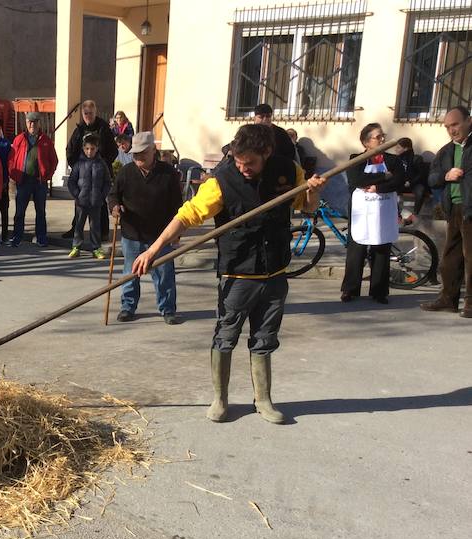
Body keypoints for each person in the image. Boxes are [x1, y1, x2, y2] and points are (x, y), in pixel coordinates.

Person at [131, 124, 326, 424]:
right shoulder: (221, 180)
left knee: (264, 338)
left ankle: (263, 399)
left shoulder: (288, 170)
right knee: (226, 336)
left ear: (267, 153)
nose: (244, 168)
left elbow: (307, 206)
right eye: (239, 162)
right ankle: (220, 400)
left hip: (275, 271)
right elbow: (187, 215)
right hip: (238, 273)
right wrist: (153, 250)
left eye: (250, 163)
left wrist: (313, 193)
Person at [107, 132, 182, 323]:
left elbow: (177, 205)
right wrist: (114, 207)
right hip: (132, 233)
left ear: (153, 151)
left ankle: (167, 309)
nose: (138, 157)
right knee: (130, 273)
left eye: (142, 153)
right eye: (135, 153)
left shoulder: (168, 173)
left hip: (161, 234)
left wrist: (177, 232)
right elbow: (113, 195)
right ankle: (127, 307)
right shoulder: (126, 172)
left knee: (164, 273)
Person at [340, 123, 404, 304]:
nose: (382, 139)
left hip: (383, 210)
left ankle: (379, 291)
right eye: (378, 137)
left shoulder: (393, 160)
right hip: (361, 212)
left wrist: (378, 187)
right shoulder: (356, 159)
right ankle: (350, 289)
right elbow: (356, 179)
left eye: (383, 135)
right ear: (366, 142)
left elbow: (399, 180)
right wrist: (384, 176)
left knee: (382, 248)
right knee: (356, 250)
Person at [421, 105, 472, 318]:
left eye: (455, 124)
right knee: (450, 256)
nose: (452, 130)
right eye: (447, 127)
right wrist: (445, 175)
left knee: (471, 256)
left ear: (469, 121)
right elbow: (431, 178)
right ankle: (448, 298)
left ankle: (470, 303)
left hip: (471, 208)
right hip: (453, 208)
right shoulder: (446, 151)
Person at [64, 100, 118, 240]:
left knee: (100, 202)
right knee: (80, 202)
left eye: (91, 113)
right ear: (82, 114)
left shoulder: (104, 129)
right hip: (83, 172)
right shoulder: (79, 130)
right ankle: (76, 230)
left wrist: (103, 165)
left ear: (95, 113)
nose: (88, 116)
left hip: (100, 172)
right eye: (86, 113)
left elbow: (113, 151)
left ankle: (103, 232)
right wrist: (77, 167)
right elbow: (70, 150)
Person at [9, 112, 58, 248]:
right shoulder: (19, 139)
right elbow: (11, 159)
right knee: (19, 212)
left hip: (39, 182)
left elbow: (54, 160)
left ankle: (41, 237)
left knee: (41, 211)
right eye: (30, 122)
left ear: (39, 123)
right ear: (26, 123)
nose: (32, 125)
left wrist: (47, 176)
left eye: (35, 122)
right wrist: (13, 174)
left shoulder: (46, 140)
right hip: (23, 180)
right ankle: (17, 237)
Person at [68, 133, 110, 259]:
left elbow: (107, 182)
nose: (89, 151)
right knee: (78, 225)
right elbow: (71, 181)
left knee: (95, 226)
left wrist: (102, 195)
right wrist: (77, 195)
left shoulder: (102, 164)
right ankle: (76, 247)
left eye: (92, 148)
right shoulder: (79, 164)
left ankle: (96, 248)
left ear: (97, 148)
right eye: (87, 148)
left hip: (96, 201)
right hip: (81, 201)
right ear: (83, 148)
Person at [394, 137, 429, 225]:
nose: (395, 150)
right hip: (402, 184)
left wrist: (410, 182)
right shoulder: (396, 160)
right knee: (392, 191)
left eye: (398, 147)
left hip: (414, 184)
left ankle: (415, 215)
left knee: (420, 191)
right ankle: (398, 216)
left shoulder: (416, 158)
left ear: (406, 148)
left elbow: (421, 175)